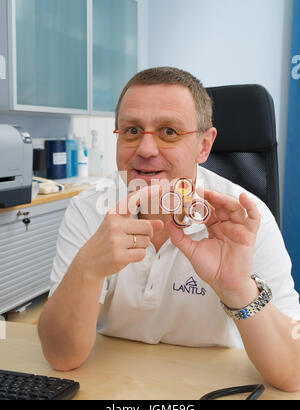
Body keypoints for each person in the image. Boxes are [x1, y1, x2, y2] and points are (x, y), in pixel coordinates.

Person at [38, 67, 300, 392]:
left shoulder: (244, 220)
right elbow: (61, 357)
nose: (146, 150)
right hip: (112, 386)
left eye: (169, 132)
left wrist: (237, 288)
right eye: (132, 130)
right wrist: (88, 269)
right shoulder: (89, 209)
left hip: (208, 387)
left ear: (204, 146)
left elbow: (293, 373)